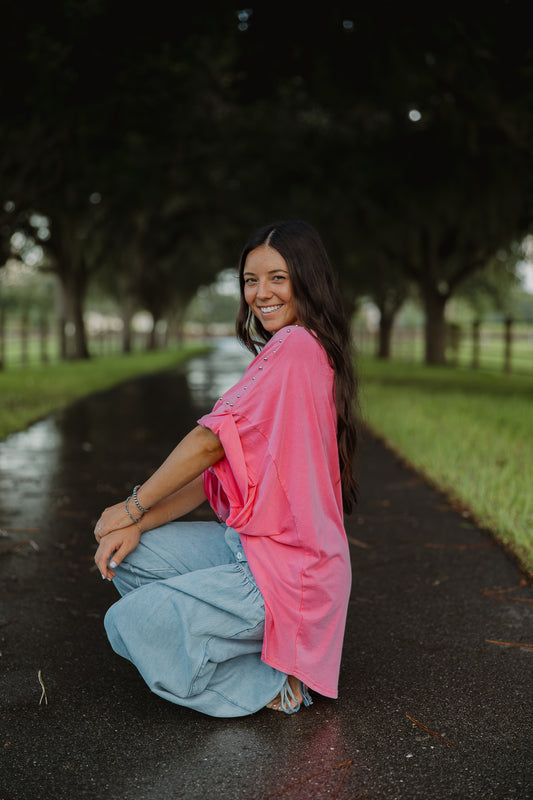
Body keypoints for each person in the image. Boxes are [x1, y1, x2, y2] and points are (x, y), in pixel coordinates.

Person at [94, 219, 358, 718]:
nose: (261, 293)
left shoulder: (298, 346)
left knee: (131, 621)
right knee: (127, 557)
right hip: (251, 550)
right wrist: (136, 524)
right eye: (250, 280)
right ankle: (262, 652)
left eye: (277, 278)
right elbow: (212, 470)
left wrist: (131, 504)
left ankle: (276, 681)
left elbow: (207, 444)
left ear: (308, 278)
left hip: (291, 576)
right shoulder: (288, 349)